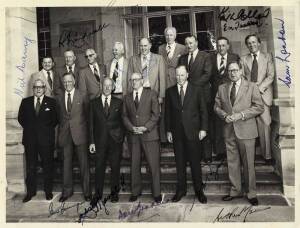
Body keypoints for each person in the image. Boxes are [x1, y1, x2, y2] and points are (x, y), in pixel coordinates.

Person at [214, 61, 264, 206]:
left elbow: (259, 107)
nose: (232, 73)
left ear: (241, 71)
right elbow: (216, 106)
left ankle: (251, 193)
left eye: (235, 70)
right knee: (232, 162)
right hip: (229, 130)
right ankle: (235, 190)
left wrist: (241, 115)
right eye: (230, 71)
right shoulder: (222, 88)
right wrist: (224, 115)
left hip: (247, 130)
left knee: (249, 163)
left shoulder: (252, 86)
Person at [165, 65, 208, 203]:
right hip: (177, 133)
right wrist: (168, 131)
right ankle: (181, 190)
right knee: (180, 163)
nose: (179, 77)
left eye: (182, 75)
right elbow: (167, 114)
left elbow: (203, 111)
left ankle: (199, 191)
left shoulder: (196, 89)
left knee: (195, 163)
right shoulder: (170, 91)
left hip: (193, 132)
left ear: (187, 75)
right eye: (177, 75)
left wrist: (203, 129)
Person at [122, 73, 161, 203]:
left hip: (149, 135)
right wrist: (131, 127)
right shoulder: (127, 97)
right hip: (133, 135)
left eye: (137, 79)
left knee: (153, 165)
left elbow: (156, 115)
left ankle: (156, 193)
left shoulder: (151, 94)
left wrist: (145, 127)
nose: (134, 82)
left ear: (142, 81)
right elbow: (124, 116)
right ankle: (135, 191)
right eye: (132, 80)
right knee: (134, 165)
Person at [18, 79, 58, 202]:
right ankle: (30, 192)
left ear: (45, 89)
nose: (38, 89)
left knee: (47, 166)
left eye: (41, 87)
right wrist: (31, 130)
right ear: (33, 89)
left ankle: (48, 191)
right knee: (31, 166)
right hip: (30, 140)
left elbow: (55, 120)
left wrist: (44, 131)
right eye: (36, 87)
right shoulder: (25, 102)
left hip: (46, 140)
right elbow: (21, 119)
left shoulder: (51, 102)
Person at [56, 72, 91, 202]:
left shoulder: (82, 95)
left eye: (69, 81)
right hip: (65, 135)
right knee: (66, 164)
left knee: (84, 164)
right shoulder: (59, 97)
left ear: (74, 82)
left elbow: (87, 116)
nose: (67, 84)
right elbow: (58, 117)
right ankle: (67, 191)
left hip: (80, 134)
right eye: (65, 82)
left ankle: (87, 192)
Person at [89, 78, 124, 204]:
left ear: (113, 87)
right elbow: (91, 125)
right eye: (105, 85)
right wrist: (92, 142)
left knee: (115, 167)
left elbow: (122, 122)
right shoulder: (93, 103)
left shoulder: (119, 102)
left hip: (115, 141)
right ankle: (97, 194)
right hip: (99, 141)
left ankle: (114, 193)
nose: (107, 88)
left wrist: (120, 138)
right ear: (101, 86)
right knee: (99, 168)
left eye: (110, 85)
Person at [178, 35, 212, 162]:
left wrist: (192, 86)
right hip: (187, 98)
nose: (189, 45)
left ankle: (207, 155)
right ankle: (192, 155)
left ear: (196, 43)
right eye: (186, 43)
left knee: (204, 123)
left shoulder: (205, 56)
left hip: (202, 95)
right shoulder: (182, 58)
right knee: (190, 125)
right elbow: (181, 75)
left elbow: (207, 74)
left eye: (191, 43)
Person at [241, 34, 275, 162]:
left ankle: (267, 156)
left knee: (266, 124)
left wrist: (259, 88)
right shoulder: (244, 59)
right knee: (249, 126)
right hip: (249, 97)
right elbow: (243, 77)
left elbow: (271, 76)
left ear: (259, 43)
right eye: (249, 43)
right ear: (247, 45)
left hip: (263, 95)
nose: (252, 45)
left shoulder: (267, 57)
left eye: (254, 42)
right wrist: (250, 90)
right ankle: (250, 156)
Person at [210, 36, 240, 161]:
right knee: (218, 122)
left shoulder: (234, 57)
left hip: (231, 93)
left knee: (232, 119)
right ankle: (220, 151)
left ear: (228, 46)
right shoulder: (211, 58)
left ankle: (235, 149)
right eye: (218, 45)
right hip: (216, 93)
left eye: (223, 45)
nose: (221, 48)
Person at [158, 27, 187, 143]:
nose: (169, 37)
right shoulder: (160, 48)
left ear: (175, 36)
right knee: (165, 110)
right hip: (164, 82)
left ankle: (181, 136)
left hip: (177, 82)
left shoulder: (182, 48)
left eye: (171, 35)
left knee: (179, 109)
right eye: (167, 35)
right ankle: (165, 139)